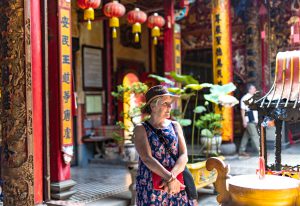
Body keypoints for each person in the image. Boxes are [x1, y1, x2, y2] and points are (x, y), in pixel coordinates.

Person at [134, 85, 196, 205]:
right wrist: (170, 179)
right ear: (153, 106)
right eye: (165, 103)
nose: (169, 107)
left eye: (170, 103)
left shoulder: (175, 125)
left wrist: (172, 178)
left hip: (176, 182)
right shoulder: (141, 129)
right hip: (151, 184)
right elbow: (147, 158)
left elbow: (184, 155)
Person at [239, 84, 260, 156]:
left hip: (253, 119)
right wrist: (244, 121)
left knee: (246, 136)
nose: (255, 89)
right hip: (249, 119)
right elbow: (243, 110)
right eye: (254, 88)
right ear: (249, 90)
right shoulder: (245, 98)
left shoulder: (253, 97)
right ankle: (261, 152)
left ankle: (241, 151)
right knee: (255, 135)